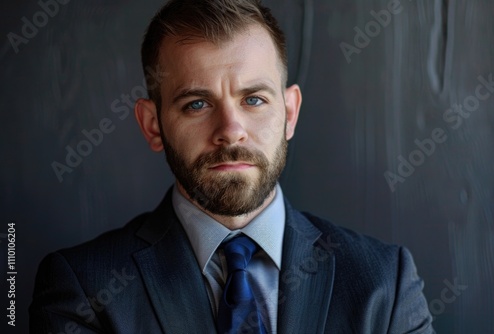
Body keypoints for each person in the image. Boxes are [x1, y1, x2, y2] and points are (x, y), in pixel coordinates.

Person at [30, 0, 434, 333]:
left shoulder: (385, 282)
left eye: (254, 100)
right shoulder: (83, 289)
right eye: (197, 104)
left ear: (290, 114)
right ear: (153, 126)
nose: (230, 131)